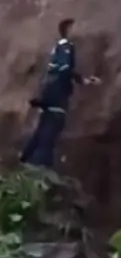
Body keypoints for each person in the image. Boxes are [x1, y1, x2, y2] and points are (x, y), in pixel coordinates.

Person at [20, 18, 99, 169]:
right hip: (56, 100)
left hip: (51, 99)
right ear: (68, 30)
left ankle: (23, 163)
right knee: (47, 139)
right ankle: (38, 172)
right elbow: (64, 70)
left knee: (40, 135)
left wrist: (82, 80)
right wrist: (76, 81)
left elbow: (62, 70)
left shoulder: (58, 48)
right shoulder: (66, 47)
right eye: (74, 28)